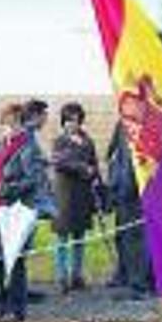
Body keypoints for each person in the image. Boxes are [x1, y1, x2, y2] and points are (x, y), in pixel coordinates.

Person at [0, 100, 51, 322]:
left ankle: (16, 308)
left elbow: (32, 180)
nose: (10, 128)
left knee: (14, 258)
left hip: (20, 209)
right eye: (6, 124)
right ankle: (3, 302)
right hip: (0, 208)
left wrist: (5, 188)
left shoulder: (28, 147)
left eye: (14, 124)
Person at [51, 102, 99, 293]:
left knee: (79, 238)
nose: (72, 124)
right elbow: (59, 162)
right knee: (62, 238)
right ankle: (62, 278)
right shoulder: (59, 141)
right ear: (63, 122)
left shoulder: (88, 141)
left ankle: (76, 276)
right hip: (63, 194)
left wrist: (93, 174)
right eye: (69, 120)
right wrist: (83, 168)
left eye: (76, 120)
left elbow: (94, 164)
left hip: (82, 195)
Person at [106, 123, 153, 298]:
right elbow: (114, 155)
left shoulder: (147, 124)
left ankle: (140, 282)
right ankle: (126, 274)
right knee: (124, 237)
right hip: (123, 191)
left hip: (138, 192)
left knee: (138, 239)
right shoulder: (122, 125)